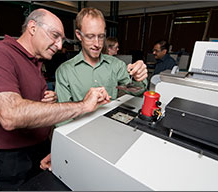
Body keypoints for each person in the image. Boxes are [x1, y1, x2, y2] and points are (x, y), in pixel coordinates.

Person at [0, 8, 110, 191]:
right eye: (55, 36)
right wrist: (84, 105)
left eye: (62, 39)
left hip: (40, 148)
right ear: (32, 27)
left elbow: (30, 105)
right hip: (12, 159)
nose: (60, 45)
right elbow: (10, 114)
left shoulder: (34, 61)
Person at [40, 7, 148, 171]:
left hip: (114, 133)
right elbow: (62, 119)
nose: (97, 44)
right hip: (81, 137)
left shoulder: (116, 65)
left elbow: (136, 91)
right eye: (90, 37)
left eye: (101, 37)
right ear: (78, 35)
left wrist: (140, 78)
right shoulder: (65, 71)